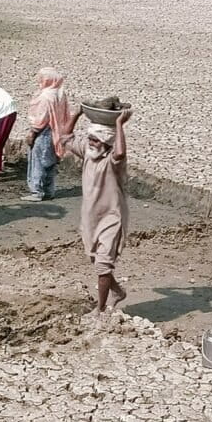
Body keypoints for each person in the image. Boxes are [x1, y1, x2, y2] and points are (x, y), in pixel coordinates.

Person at [62, 110, 132, 318]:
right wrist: (76, 113)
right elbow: (65, 138)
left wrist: (119, 124)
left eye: (95, 139)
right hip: (90, 217)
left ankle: (99, 309)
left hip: (111, 219)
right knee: (98, 262)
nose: (90, 142)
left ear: (106, 142)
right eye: (90, 138)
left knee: (102, 265)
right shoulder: (87, 152)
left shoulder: (113, 161)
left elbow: (120, 153)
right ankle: (118, 291)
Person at [21, 67, 71, 202]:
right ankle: (49, 191)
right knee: (50, 161)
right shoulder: (60, 94)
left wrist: (33, 132)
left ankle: (36, 191)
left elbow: (41, 118)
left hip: (44, 131)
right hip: (57, 131)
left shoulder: (46, 97)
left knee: (38, 161)